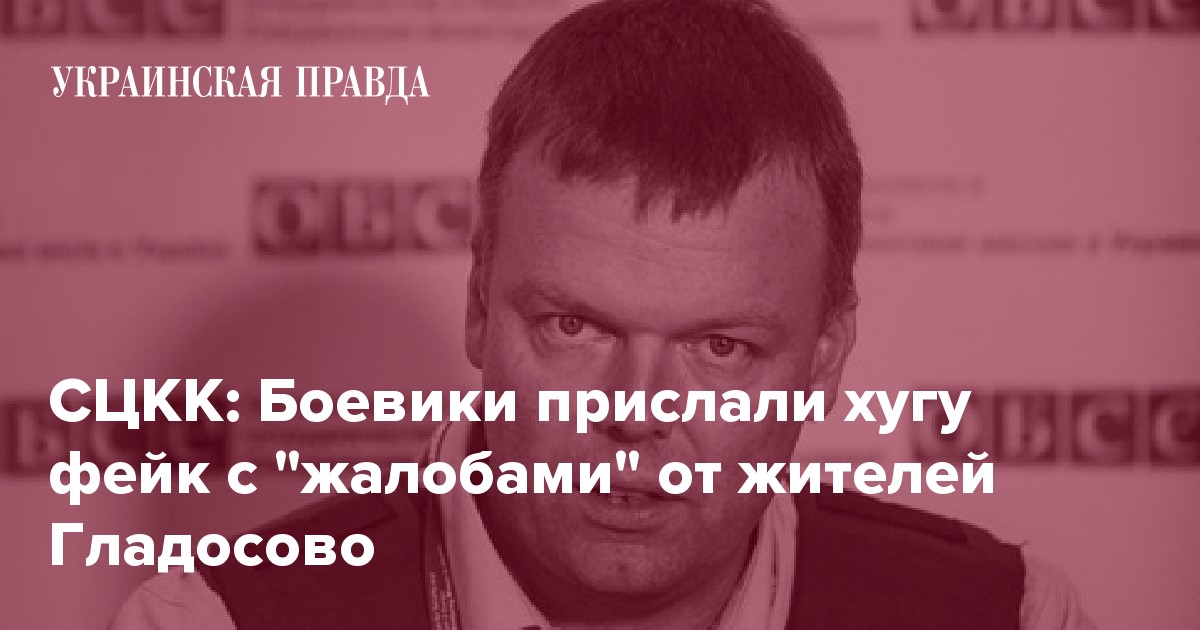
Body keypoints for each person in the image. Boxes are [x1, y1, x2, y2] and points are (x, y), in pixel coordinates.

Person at [112, 0, 1095, 628]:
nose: (636, 411)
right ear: (477, 307)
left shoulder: (1006, 619)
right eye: (574, 328)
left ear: (827, 356)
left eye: (722, 347)